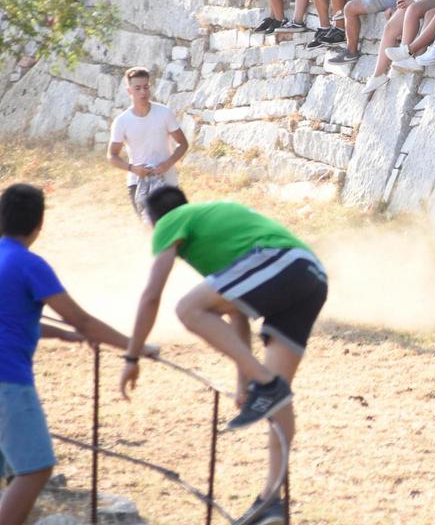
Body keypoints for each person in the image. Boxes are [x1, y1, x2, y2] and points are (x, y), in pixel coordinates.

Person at [121, 187, 328, 525]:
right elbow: (237, 314)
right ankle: (272, 501)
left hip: (282, 262)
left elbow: (151, 296)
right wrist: (242, 379)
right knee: (279, 399)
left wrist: (131, 358)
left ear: (151, 221)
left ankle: (266, 385)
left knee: (188, 308)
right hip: (311, 275)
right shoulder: (212, 227)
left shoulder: (170, 222)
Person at [0, 184, 146, 525]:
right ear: (39, 227)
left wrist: (64, 335)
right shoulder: (29, 264)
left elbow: (13, 317)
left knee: (12, 468)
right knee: (36, 468)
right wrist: (135, 347)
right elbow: (82, 319)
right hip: (7, 379)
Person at [107, 67, 189, 222]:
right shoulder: (121, 122)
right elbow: (112, 156)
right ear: (129, 91)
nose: (143, 92)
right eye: (137, 88)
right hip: (137, 183)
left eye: (146, 87)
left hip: (168, 181)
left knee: (178, 226)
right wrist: (133, 169)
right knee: (151, 230)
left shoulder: (164, 113)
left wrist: (167, 164)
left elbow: (183, 144)